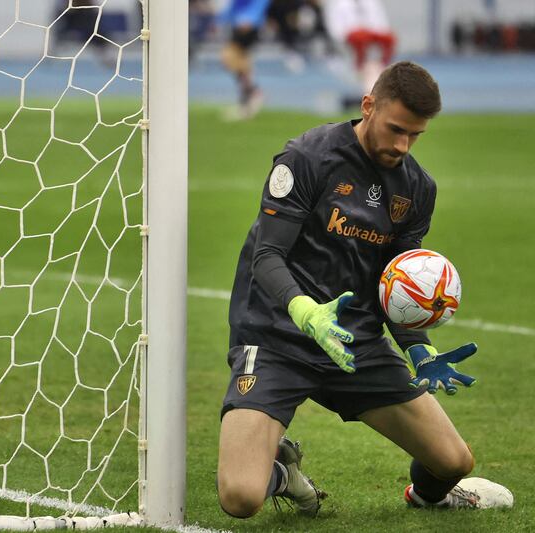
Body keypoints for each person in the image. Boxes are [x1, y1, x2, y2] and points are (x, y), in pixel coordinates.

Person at [216, 61, 514, 520]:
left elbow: (398, 281)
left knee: (454, 462)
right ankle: (284, 473)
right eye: (396, 129)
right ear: (368, 105)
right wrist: (305, 311)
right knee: (240, 497)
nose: (402, 144)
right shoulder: (307, 158)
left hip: (355, 347)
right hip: (278, 339)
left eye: (415, 135)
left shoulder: (416, 188)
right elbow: (267, 256)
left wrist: (420, 349)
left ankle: (428, 496)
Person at [323, 0, 397, 96]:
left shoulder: (371, 2)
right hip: (352, 34)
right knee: (360, 37)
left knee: (389, 38)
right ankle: (360, 67)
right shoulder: (338, 4)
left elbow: (381, 23)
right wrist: (343, 37)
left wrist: (374, 33)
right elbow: (335, 27)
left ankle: (381, 66)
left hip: (370, 33)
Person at [219, 0, 272, 120]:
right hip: (239, 22)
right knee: (241, 62)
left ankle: (252, 93)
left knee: (229, 56)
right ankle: (248, 98)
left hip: (248, 24)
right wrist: (222, 18)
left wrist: (251, 17)